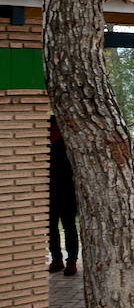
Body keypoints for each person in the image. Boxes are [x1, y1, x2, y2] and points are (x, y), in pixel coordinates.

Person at [47, 117, 78, 275]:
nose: (50, 132)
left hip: (67, 193)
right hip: (49, 195)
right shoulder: (44, 148)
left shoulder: (68, 148)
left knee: (69, 227)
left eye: (53, 129)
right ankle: (56, 259)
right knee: (51, 228)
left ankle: (71, 261)